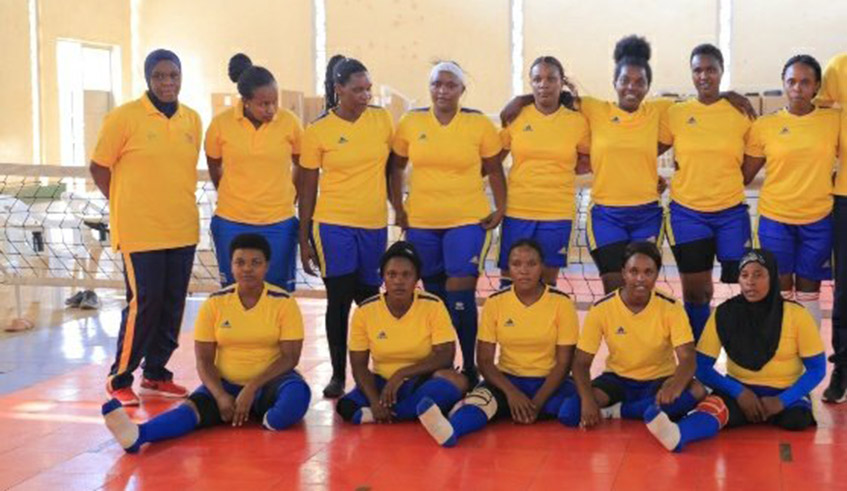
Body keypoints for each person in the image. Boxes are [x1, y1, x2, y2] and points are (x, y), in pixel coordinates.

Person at [101, 234, 312, 452]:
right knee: (188, 411)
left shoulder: (284, 303)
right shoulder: (215, 303)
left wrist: (251, 388)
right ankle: (137, 435)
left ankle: (264, 417)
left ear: (266, 266)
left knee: (296, 396)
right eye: (240, 262)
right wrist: (220, 395)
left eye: (255, 263)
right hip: (226, 384)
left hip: (270, 383)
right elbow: (203, 359)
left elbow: (290, 357)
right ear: (231, 266)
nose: (247, 269)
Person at [90, 49, 201, 405]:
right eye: (160, 76)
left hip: (181, 226)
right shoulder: (124, 118)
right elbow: (99, 167)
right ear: (148, 79)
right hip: (141, 230)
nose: (168, 83)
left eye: (174, 75)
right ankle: (119, 377)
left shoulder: (192, 120)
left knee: (172, 304)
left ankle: (156, 373)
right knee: (145, 302)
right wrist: (124, 205)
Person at [388, 61, 507, 381]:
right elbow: (395, 167)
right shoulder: (411, 122)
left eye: (450, 85)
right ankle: (441, 363)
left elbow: (494, 168)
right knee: (435, 297)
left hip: (467, 219)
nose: (442, 90)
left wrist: (501, 207)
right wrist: (397, 205)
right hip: (422, 222)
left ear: (461, 90)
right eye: (436, 84)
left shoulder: (478, 123)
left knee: (460, 291)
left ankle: (470, 365)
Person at [645, 250, 826, 452]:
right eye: (744, 275)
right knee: (716, 410)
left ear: (772, 277)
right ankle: (678, 435)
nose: (750, 282)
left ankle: (776, 408)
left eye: (758, 275)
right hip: (740, 390)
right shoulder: (724, 313)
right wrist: (738, 392)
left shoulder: (797, 315)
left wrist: (781, 401)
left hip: (784, 390)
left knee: (796, 420)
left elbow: (817, 369)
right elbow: (702, 367)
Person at [416, 239, 580, 447]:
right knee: (480, 405)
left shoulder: (561, 303)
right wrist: (512, 393)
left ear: (542, 268)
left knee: (571, 412)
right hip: (507, 381)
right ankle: (449, 430)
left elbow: (564, 363)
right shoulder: (495, 302)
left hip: (548, 383)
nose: (524, 271)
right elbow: (484, 360)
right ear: (508, 269)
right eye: (516, 264)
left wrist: (536, 403)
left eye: (531, 264)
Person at [299, 55, 394, 398]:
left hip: (373, 225)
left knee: (370, 300)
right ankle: (338, 375)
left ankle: (373, 372)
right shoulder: (318, 130)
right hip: (333, 225)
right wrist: (304, 236)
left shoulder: (382, 120)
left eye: (368, 88)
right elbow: (307, 187)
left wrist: (399, 206)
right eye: (357, 90)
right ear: (339, 89)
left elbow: (394, 166)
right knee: (339, 300)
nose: (365, 95)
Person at [558, 242, 705, 428]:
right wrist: (587, 401)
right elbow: (580, 362)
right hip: (617, 380)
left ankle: (617, 412)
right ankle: (643, 410)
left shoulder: (671, 307)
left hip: (659, 381)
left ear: (656, 274)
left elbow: (687, 357)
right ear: (623, 273)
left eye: (648, 272)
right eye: (633, 271)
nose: (640, 278)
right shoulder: (601, 308)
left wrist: (675, 385)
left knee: (697, 391)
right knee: (569, 412)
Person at [742, 54, 841, 329]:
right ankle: (781, 354)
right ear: (783, 84)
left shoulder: (834, 121)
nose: (798, 88)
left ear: (816, 86)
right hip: (776, 220)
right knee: (780, 290)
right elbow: (744, 175)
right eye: (792, 81)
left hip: (818, 220)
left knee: (810, 292)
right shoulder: (764, 125)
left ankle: (809, 356)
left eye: (805, 82)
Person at [663, 44, 754, 341]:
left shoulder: (740, 112)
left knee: (748, 285)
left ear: (721, 72)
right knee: (697, 291)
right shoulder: (675, 113)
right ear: (691, 74)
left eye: (710, 69)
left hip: (731, 214)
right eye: (698, 70)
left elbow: (756, 158)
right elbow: (638, 148)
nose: (704, 76)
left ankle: (743, 352)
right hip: (688, 214)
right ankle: (700, 357)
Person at [335, 241, 468, 424]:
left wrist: (402, 374)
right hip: (382, 383)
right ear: (383, 277)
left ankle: (385, 414)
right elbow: (359, 365)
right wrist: (375, 401)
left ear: (416, 278)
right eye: (392, 274)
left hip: (420, 381)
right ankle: (413, 411)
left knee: (457, 382)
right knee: (345, 406)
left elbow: (445, 356)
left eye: (406, 275)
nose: (399, 281)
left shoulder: (433, 305)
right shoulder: (364, 311)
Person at [206, 53, 303, 292]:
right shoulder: (221, 124)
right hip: (232, 220)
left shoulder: (290, 123)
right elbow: (214, 165)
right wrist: (230, 193)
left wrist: (292, 195)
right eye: (263, 104)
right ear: (245, 101)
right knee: (234, 291)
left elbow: (302, 164)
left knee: (277, 291)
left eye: (274, 102)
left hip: (278, 221)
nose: (270, 109)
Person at [497, 56, 590, 286]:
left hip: (556, 213)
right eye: (537, 79)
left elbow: (589, 159)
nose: (543, 84)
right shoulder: (517, 116)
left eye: (551, 79)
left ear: (561, 82)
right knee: (510, 282)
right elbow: (492, 162)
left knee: (547, 285)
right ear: (531, 82)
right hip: (518, 210)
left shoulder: (576, 122)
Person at [816, 53, 847, 403]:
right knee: (845, 290)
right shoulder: (840, 67)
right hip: (845, 197)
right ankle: (843, 368)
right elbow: (817, 116)